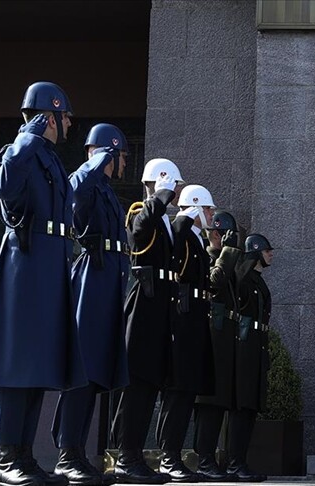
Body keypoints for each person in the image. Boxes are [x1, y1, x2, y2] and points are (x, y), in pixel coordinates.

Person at [0, 80, 83, 486]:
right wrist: (27, 136)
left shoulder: (51, 160)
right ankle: (6, 458)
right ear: (48, 116)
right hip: (24, 268)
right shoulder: (19, 153)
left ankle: (26, 456)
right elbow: (3, 187)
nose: (69, 123)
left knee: (39, 366)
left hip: (49, 269)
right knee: (17, 366)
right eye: (63, 116)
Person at [52, 123, 132, 484]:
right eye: (120, 157)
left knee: (96, 371)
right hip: (90, 279)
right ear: (107, 153)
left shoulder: (108, 193)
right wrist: (97, 160)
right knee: (83, 369)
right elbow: (71, 191)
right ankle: (67, 453)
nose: (123, 164)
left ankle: (79, 453)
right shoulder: (86, 184)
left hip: (108, 281)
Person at [112, 158, 184, 484]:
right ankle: (126, 457)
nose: (175, 193)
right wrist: (158, 197)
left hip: (160, 313)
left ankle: (136, 455)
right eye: (172, 186)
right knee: (137, 387)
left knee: (149, 386)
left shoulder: (164, 220)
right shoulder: (141, 210)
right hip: (142, 311)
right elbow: (138, 232)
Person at [195, 233, 274, 482]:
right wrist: (229, 253)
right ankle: (222, 461)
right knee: (230, 405)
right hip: (237, 344)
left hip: (253, 344)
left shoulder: (256, 280)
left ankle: (236, 462)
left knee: (247, 406)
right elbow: (222, 283)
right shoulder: (240, 276)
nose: (271, 254)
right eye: (267, 250)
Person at [153, 184, 218, 481]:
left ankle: (174, 454)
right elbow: (172, 247)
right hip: (181, 319)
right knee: (177, 391)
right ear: (194, 206)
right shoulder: (182, 232)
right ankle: (168, 457)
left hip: (194, 320)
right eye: (207, 208)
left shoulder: (197, 239)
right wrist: (184, 216)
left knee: (186, 391)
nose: (211, 214)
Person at [192, 210, 248, 481]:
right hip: (211, 339)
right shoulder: (207, 256)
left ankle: (214, 460)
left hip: (226, 338)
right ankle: (204, 460)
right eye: (225, 235)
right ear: (216, 233)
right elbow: (214, 282)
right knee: (210, 403)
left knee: (220, 402)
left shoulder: (227, 259)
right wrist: (226, 251)